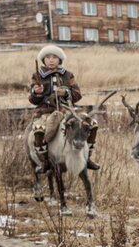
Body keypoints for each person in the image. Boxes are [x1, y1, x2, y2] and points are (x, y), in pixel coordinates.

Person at [28, 44, 97, 173]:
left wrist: (66, 92)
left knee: (93, 124)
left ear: (60, 59)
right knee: (39, 129)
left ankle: (88, 158)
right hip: (46, 111)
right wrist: (37, 92)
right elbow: (32, 100)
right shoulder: (37, 76)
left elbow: (77, 94)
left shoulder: (68, 75)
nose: (51, 60)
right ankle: (45, 162)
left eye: (54, 57)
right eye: (48, 57)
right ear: (43, 60)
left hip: (69, 111)